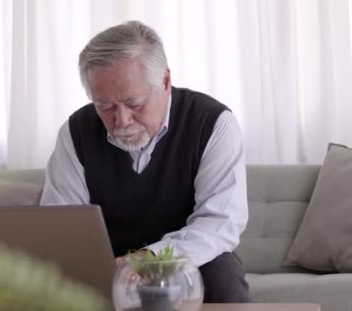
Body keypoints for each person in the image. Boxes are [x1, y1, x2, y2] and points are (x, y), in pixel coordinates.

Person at [40, 20, 250, 302]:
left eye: (134, 103)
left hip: (190, 260)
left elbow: (220, 223)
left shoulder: (213, 123)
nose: (121, 120)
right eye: (105, 106)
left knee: (223, 275)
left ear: (164, 81)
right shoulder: (76, 131)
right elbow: (61, 223)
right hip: (108, 262)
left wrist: (150, 258)